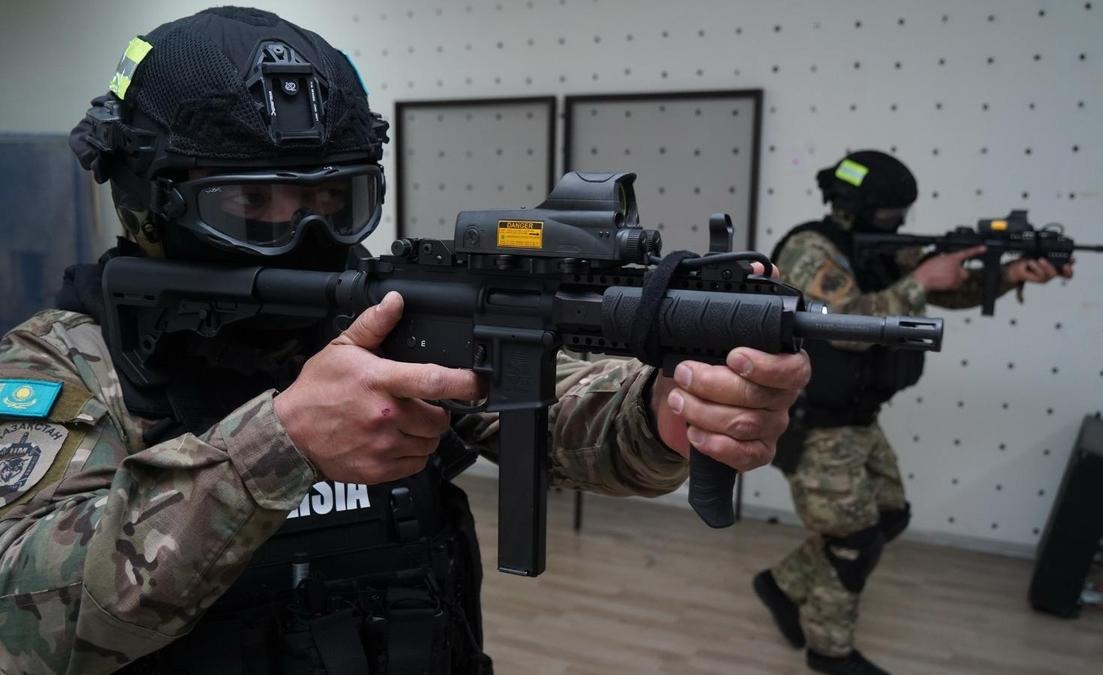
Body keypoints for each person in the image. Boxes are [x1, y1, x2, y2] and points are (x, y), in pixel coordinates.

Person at [0, 8, 810, 674]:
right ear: (150, 202)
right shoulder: (65, 363)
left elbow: (554, 409)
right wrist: (278, 444)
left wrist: (665, 410)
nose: (309, 235)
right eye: (252, 205)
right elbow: (24, 618)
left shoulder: (381, 318)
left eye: (334, 201)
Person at [753, 150, 1073, 675]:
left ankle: (782, 584)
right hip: (815, 424)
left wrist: (1013, 272)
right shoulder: (809, 249)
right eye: (888, 214)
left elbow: (950, 288)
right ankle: (830, 653)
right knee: (853, 541)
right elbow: (847, 325)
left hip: (858, 417)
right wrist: (921, 278)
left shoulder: (880, 247)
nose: (897, 223)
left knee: (888, 516)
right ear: (855, 206)